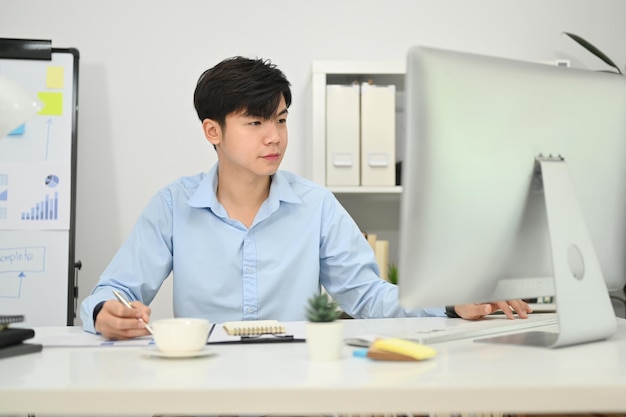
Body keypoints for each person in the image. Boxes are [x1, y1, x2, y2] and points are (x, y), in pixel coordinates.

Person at [80, 56, 531, 340]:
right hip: (203, 386)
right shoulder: (172, 205)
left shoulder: (316, 205)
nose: (274, 137)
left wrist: (452, 303)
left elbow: (368, 296)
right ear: (212, 131)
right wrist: (106, 312)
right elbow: (114, 290)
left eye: (280, 119)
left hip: (296, 386)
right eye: (255, 123)